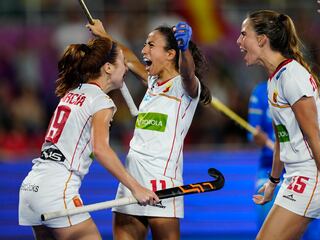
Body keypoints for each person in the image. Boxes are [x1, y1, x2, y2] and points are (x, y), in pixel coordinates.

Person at [18, 35, 159, 239]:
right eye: (122, 63)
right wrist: (136, 188)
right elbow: (101, 150)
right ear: (108, 68)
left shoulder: (71, 92)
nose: (126, 68)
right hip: (57, 190)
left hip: (31, 188)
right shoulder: (102, 101)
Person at [87, 20, 211, 240]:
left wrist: (185, 49)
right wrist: (104, 35)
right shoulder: (153, 81)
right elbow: (126, 55)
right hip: (130, 179)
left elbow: (188, 73)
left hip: (162, 184)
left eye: (151, 45)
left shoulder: (185, 87)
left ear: (171, 54)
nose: (144, 49)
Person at [237, 10, 320, 239]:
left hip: (311, 176)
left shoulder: (292, 76)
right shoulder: (273, 80)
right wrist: (272, 183)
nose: (239, 41)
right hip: (293, 176)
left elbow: (315, 138)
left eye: (244, 34)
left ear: (262, 39)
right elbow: (280, 139)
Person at [247, 81, 320, 239]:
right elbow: (253, 132)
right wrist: (257, 137)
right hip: (271, 166)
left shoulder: (314, 91)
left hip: (308, 169)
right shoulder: (262, 92)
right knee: (265, 222)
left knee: (310, 232)